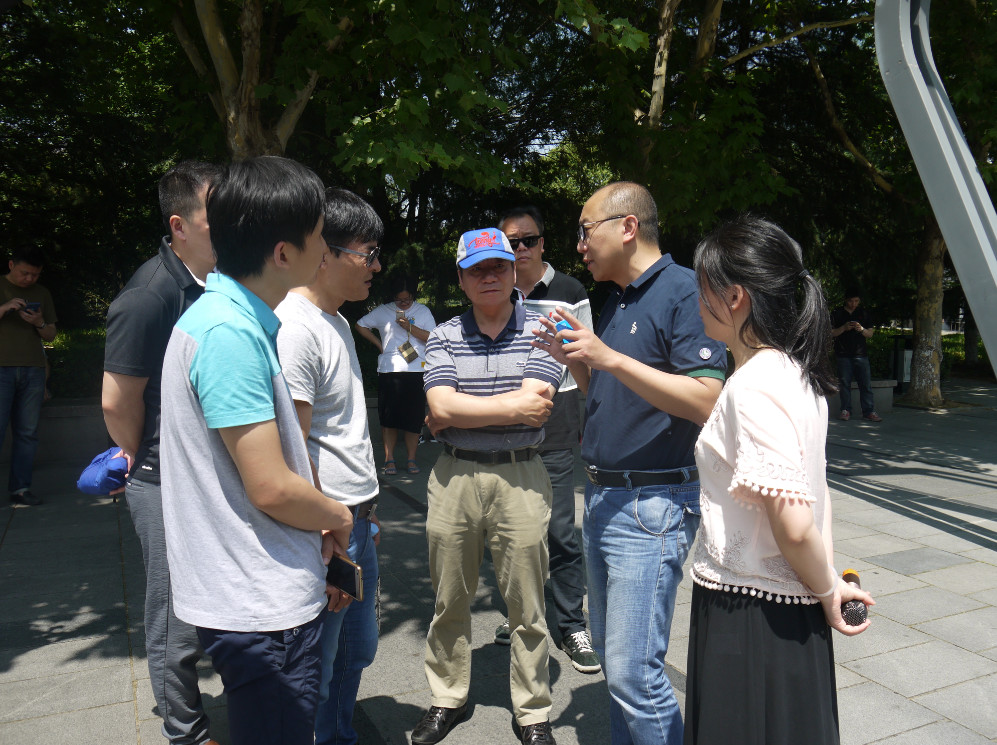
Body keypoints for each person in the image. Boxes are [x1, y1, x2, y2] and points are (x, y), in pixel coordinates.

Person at [159, 156, 354, 745]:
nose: (327, 250)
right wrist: (338, 516)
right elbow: (269, 486)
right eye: (320, 235)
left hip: (250, 590)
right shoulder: (230, 334)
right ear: (283, 253)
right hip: (261, 601)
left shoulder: (231, 319)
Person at [533, 182, 726, 745]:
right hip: (604, 496)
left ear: (627, 227)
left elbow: (707, 399)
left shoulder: (684, 290)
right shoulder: (618, 298)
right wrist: (578, 359)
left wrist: (609, 357)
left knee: (635, 675)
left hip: (652, 503)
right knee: (618, 666)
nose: (579, 245)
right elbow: (611, 391)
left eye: (585, 230)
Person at [684, 215, 874, 745]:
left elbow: (792, 522)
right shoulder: (797, 372)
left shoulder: (755, 385)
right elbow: (817, 491)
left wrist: (827, 586)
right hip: (788, 605)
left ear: (734, 296)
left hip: (749, 614)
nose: (697, 300)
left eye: (703, 288)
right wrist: (826, 580)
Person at [412, 227, 562, 745]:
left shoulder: (544, 329)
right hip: (453, 475)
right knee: (448, 598)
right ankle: (447, 697)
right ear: (461, 279)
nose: (489, 276)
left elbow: (536, 403)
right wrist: (505, 407)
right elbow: (439, 406)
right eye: (476, 269)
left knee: (527, 603)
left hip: (521, 475)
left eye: (498, 265)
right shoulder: (443, 334)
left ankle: (532, 711)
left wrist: (459, 410)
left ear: (514, 271)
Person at [102, 160, 223, 745]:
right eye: (217, 215)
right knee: (175, 614)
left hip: (205, 471)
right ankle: (186, 731)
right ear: (179, 225)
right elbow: (116, 401)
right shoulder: (149, 296)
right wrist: (140, 459)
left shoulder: (216, 283)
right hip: (161, 478)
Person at [275, 188, 384, 745]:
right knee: (316, 668)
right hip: (326, 531)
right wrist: (327, 536)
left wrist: (366, 509)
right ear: (325, 252)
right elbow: (292, 448)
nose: (376, 267)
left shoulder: (336, 321)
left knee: (355, 651)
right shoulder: (295, 328)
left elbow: (338, 432)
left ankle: (339, 735)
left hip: (355, 519)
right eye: (369, 254)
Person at [495, 205, 600, 674]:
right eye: (511, 243)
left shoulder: (570, 291)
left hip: (556, 420)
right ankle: (520, 613)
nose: (520, 250)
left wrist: (588, 415)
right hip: (505, 423)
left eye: (528, 240)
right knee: (514, 530)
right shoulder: (493, 287)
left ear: (542, 243)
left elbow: (589, 358)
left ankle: (572, 623)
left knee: (559, 530)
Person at [355, 274, 435, 475]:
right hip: (389, 370)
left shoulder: (422, 311)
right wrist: (379, 345)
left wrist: (410, 327)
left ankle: (411, 459)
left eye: (407, 299)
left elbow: (432, 337)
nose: (404, 303)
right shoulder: (383, 311)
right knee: (388, 418)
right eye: (399, 300)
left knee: (413, 419)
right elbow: (360, 325)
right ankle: (389, 459)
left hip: (416, 370)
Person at [1, 247, 57, 506]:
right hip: (2, 369)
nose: (29, 279)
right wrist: (5, 307)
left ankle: (21, 489)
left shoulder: (41, 293)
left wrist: (39, 323)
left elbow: (51, 334)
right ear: (11, 265)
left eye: (35, 274)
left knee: (27, 432)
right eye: (25, 273)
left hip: (33, 369)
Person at [831, 290, 881, 421]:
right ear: (845, 300)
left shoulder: (863, 313)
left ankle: (869, 411)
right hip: (843, 354)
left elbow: (870, 333)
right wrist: (843, 328)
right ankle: (845, 410)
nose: (853, 304)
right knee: (844, 384)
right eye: (851, 301)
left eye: (856, 301)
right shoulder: (837, 313)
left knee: (865, 384)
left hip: (860, 354)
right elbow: (831, 332)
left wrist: (861, 329)